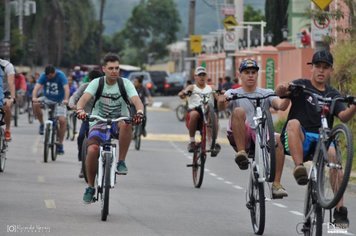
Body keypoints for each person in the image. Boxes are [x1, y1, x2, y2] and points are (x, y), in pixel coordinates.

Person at [275, 50, 356, 225]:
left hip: (323, 138)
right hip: (301, 138)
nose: (321, 70)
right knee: (293, 123)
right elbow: (281, 92)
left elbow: (343, 116)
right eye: (318, 66)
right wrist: (283, 87)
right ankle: (299, 168)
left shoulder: (333, 94)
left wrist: (354, 106)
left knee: (334, 156)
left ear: (331, 71)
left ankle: (340, 210)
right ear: (311, 68)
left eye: (325, 67)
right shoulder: (300, 86)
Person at [76, 53, 144, 204]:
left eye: (117, 68)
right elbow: (83, 100)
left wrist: (140, 112)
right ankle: (90, 187)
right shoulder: (97, 83)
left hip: (118, 121)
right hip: (98, 122)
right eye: (111, 68)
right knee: (92, 150)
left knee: (127, 123)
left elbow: (136, 100)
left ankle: (121, 161)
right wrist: (80, 110)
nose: (114, 71)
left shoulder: (125, 83)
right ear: (104, 69)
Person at [218, 59, 290, 198]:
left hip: (262, 134)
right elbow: (222, 106)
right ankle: (241, 154)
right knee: (238, 111)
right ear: (241, 75)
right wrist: (221, 100)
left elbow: (280, 106)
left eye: (253, 72)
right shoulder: (233, 92)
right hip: (241, 135)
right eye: (246, 72)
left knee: (279, 139)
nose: (250, 75)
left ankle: (276, 185)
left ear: (257, 74)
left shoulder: (267, 92)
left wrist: (288, 96)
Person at [178, 66, 220, 157]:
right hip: (195, 113)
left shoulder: (211, 87)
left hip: (209, 112)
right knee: (194, 114)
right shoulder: (192, 87)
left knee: (215, 116)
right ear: (195, 77)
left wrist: (223, 96)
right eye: (199, 75)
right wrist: (183, 93)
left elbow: (219, 97)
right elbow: (184, 92)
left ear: (206, 76)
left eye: (203, 75)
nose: (202, 77)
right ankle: (192, 141)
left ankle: (213, 143)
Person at [68, 69, 104, 178]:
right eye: (92, 81)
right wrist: (72, 105)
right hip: (88, 118)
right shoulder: (84, 87)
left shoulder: (105, 88)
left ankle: (105, 162)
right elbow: (74, 96)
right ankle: (82, 161)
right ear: (90, 80)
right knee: (81, 137)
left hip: (102, 120)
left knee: (104, 142)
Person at [32, 65, 69, 155]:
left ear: (54, 73)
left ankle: (60, 144)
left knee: (62, 120)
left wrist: (66, 99)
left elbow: (66, 88)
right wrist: (34, 97)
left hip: (59, 101)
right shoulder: (44, 76)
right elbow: (37, 87)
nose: (49, 78)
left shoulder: (61, 75)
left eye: (50, 76)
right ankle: (41, 124)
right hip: (47, 98)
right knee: (35, 104)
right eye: (47, 76)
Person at [0, 58, 16, 141]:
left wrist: (12, 98)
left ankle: (7, 129)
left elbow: (11, 82)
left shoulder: (7, 66)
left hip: (6, 91)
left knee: (6, 106)